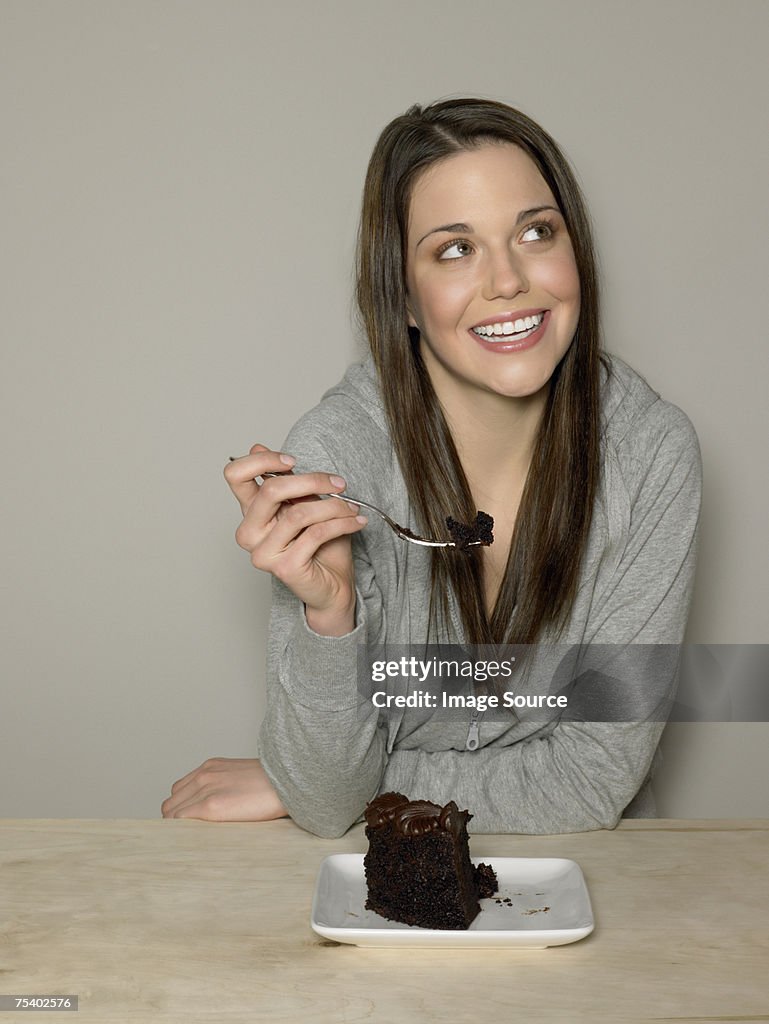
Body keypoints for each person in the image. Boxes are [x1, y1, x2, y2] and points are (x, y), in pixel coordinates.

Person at [162, 98, 701, 836]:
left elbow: (591, 781)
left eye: (536, 232)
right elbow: (326, 806)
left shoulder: (650, 454)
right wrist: (331, 616)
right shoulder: (337, 459)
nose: (507, 280)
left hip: (591, 882)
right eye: (455, 249)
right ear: (403, 297)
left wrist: (343, 782)